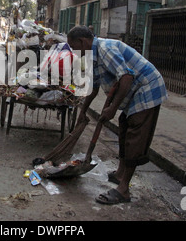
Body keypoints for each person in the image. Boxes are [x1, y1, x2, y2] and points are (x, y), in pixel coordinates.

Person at [67, 26, 168, 206]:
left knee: (135, 134)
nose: (75, 53)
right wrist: (82, 112)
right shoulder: (92, 56)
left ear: (83, 42)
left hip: (147, 87)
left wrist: (113, 108)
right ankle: (121, 173)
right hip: (135, 91)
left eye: (74, 48)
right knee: (124, 124)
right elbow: (94, 87)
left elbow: (127, 77)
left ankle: (123, 189)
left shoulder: (105, 49)